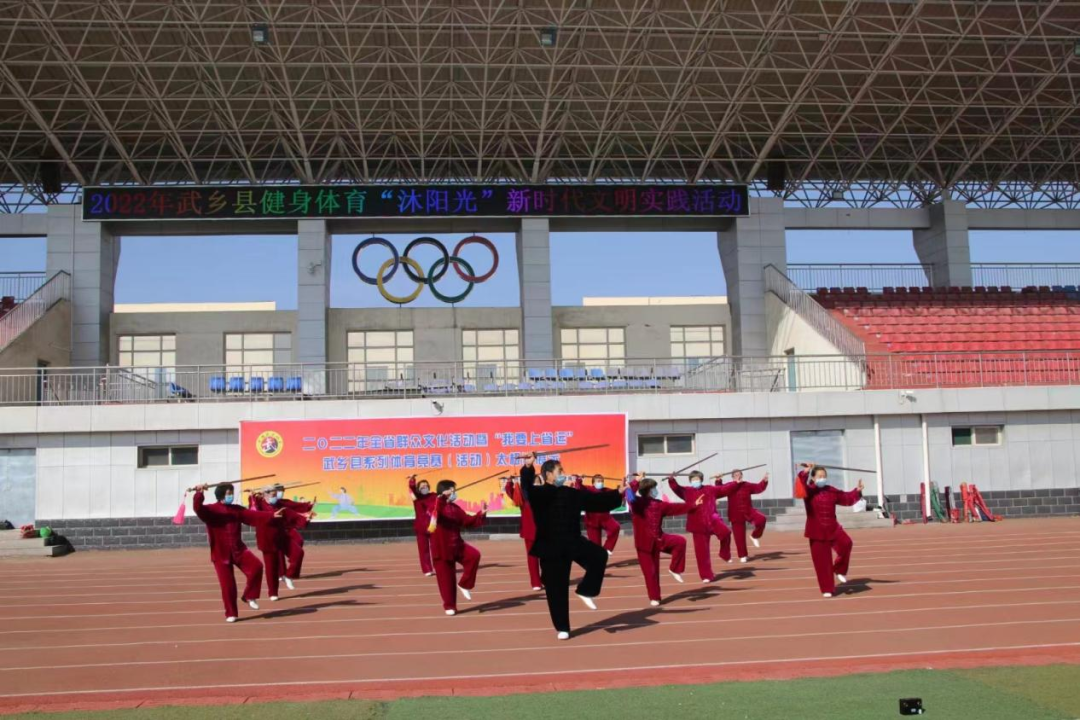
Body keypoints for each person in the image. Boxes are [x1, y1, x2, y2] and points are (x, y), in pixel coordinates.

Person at [520, 452, 623, 640]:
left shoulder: (570, 493)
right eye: (560, 471)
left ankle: (586, 590)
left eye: (563, 470)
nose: (563, 474)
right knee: (556, 588)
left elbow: (595, 501)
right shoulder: (539, 494)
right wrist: (528, 467)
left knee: (599, 556)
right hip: (550, 546)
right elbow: (526, 488)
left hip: (573, 541)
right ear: (548, 475)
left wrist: (618, 493)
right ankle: (563, 628)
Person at [192, 483, 282, 622]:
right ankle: (231, 613)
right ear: (222, 495)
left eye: (232, 493)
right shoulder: (211, 510)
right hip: (220, 553)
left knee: (257, 567)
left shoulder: (236, 510)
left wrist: (271, 515)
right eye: (228, 493)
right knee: (228, 586)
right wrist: (199, 493)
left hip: (239, 550)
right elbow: (198, 509)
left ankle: (249, 595)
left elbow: (252, 516)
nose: (231, 496)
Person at [629, 475, 702, 605]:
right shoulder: (637, 503)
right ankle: (655, 597)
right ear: (649, 490)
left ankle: (674, 568)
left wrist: (693, 505)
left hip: (659, 539)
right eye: (654, 488)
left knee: (680, 542)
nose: (656, 490)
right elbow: (630, 495)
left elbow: (676, 508)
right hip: (644, 545)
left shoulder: (659, 505)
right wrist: (636, 481)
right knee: (651, 572)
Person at [797, 463, 864, 597]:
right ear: (814, 478)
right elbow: (800, 486)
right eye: (820, 476)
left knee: (846, 543)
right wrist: (805, 472)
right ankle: (827, 589)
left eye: (824, 476)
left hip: (833, 527)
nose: (822, 478)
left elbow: (845, 497)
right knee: (822, 562)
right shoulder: (809, 491)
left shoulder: (831, 490)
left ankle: (839, 569)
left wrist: (857, 491)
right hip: (816, 530)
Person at [430, 480, 487, 615]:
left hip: (457, 545)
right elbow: (435, 513)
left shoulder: (455, 508)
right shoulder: (434, 505)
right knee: (446, 579)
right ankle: (449, 605)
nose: (454, 493)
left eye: (454, 491)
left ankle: (465, 584)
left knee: (474, 555)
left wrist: (481, 514)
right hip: (441, 548)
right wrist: (441, 498)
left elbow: (467, 521)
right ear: (444, 492)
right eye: (452, 491)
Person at [666, 470, 733, 582]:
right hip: (697, 525)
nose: (695, 481)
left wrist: (719, 481)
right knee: (702, 552)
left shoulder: (709, 489)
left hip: (712, 520)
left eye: (697, 479)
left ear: (701, 480)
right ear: (690, 481)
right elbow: (676, 488)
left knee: (726, 532)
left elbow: (722, 490)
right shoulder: (687, 491)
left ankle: (724, 553)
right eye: (693, 479)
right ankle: (706, 575)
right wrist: (672, 479)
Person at [248, 489, 312, 600]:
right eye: (273, 495)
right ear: (265, 496)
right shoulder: (259, 505)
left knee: (298, 553)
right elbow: (253, 512)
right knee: (271, 567)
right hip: (267, 540)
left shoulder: (279, 505)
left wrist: (306, 518)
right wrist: (252, 497)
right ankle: (273, 592)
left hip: (282, 537)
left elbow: (293, 515)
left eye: (275, 495)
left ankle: (289, 575)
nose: (275, 497)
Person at [503, 473, 543, 590]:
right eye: (533, 482)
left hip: (545, 531)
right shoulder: (523, 497)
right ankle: (536, 582)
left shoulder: (545, 495)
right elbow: (511, 492)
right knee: (532, 558)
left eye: (538, 482)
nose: (536, 484)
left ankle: (546, 579)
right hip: (530, 531)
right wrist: (510, 482)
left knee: (547, 558)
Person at [721, 470, 770, 563]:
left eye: (739, 474)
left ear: (742, 476)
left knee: (761, 519)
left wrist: (764, 481)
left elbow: (758, 488)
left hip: (748, 510)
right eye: (735, 475)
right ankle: (743, 555)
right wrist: (718, 480)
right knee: (739, 536)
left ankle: (755, 536)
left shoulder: (746, 485)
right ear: (732, 477)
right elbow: (719, 490)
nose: (738, 476)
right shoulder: (729, 486)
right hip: (735, 513)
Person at [274, 484, 315, 589]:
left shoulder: (284, 502)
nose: (280, 492)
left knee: (299, 541)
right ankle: (281, 574)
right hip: (275, 532)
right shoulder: (265, 504)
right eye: (278, 490)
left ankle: (292, 569)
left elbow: (297, 506)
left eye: (282, 490)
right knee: (278, 552)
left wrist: (308, 505)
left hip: (288, 529)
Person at [575, 474, 622, 555]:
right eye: (599, 481)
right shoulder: (588, 489)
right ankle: (597, 563)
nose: (601, 483)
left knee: (615, 527)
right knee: (595, 546)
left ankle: (607, 548)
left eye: (602, 481)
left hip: (605, 518)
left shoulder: (606, 490)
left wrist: (624, 483)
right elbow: (579, 487)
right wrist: (578, 479)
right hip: (592, 521)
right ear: (593, 483)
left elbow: (618, 493)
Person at [408, 475, 437, 576]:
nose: (424, 487)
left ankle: (438, 567)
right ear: (418, 489)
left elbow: (443, 498)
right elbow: (412, 488)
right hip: (420, 527)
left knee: (436, 548)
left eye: (426, 486)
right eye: (422, 486)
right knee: (423, 549)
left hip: (433, 526)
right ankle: (427, 569)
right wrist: (412, 480)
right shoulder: (417, 498)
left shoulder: (434, 496)